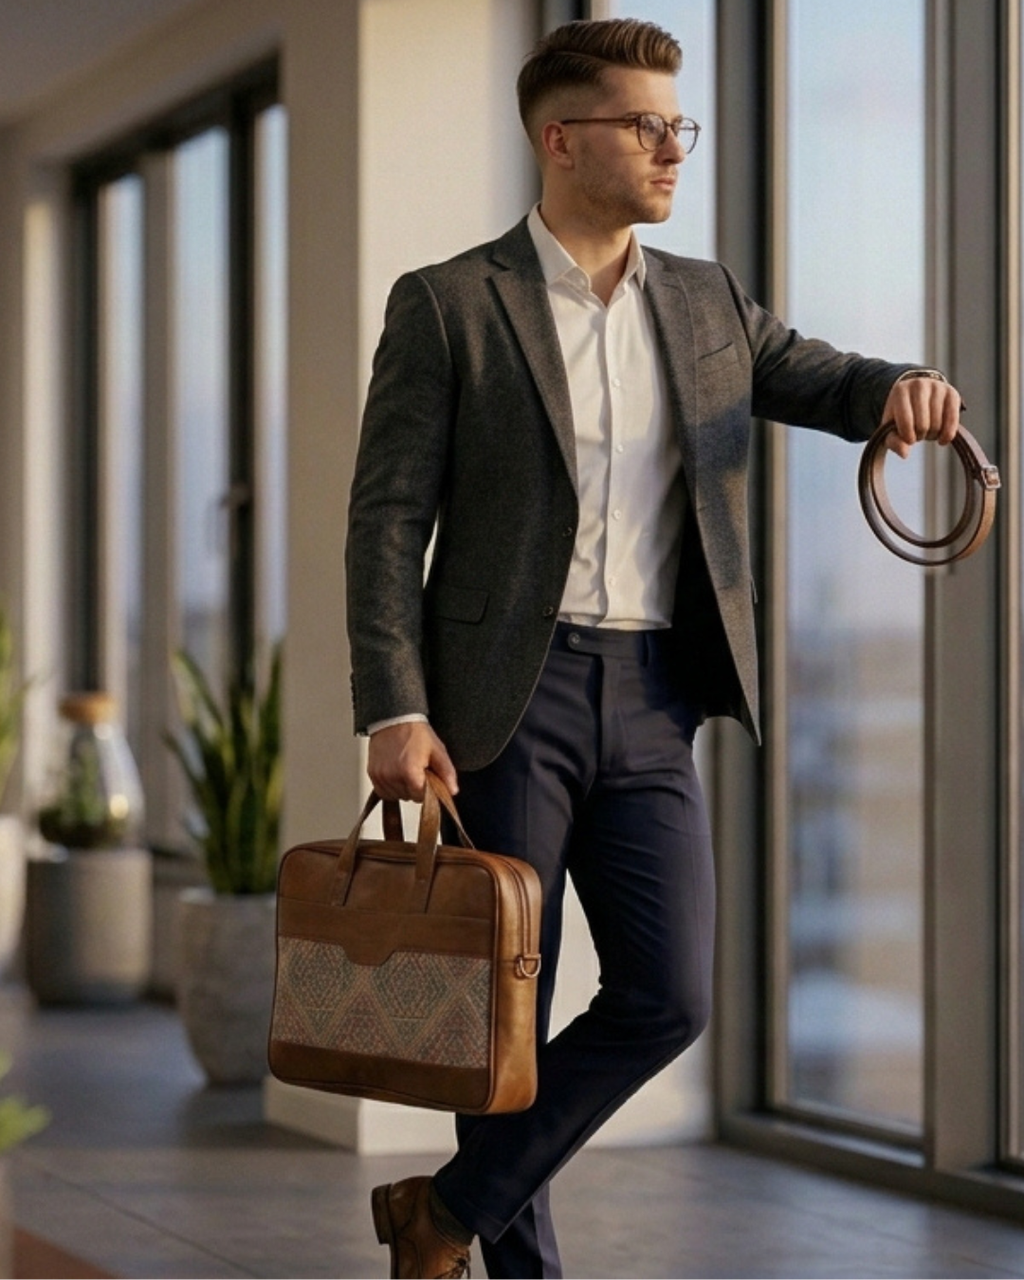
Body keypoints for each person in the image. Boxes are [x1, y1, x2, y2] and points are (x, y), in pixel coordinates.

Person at [345, 17, 963, 1280]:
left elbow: (824, 377)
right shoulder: (453, 303)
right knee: (500, 1008)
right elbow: (385, 520)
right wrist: (393, 706)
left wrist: (902, 385)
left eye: (680, 124)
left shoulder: (706, 301)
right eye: (647, 124)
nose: (674, 147)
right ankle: (516, 1265)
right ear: (560, 138)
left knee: (668, 993)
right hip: (500, 702)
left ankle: (446, 1211)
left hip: (651, 696)